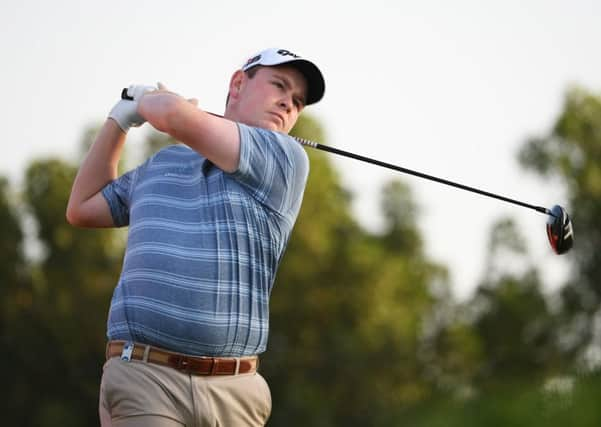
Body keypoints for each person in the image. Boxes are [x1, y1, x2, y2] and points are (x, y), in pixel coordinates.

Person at [66, 48, 325, 427]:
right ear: (238, 84)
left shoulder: (284, 160)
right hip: (145, 377)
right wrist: (119, 120)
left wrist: (157, 102)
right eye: (280, 86)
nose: (288, 102)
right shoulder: (164, 164)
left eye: (298, 101)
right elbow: (82, 207)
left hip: (235, 393)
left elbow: (172, 116)